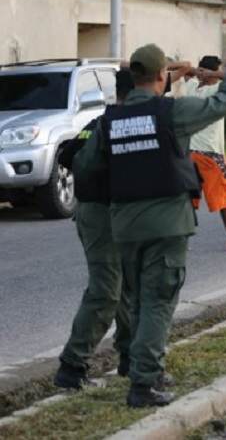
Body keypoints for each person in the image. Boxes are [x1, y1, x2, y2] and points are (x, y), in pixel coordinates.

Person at [73, 44, 226, 407]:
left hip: (124, 225)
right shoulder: (171, 112)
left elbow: (86, 169)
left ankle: (135, 366)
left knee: (136, 302)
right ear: (160, 77)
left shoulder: (109, 121)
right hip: (167, 223)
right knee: (158, 302)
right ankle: (144, 382)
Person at [53, 70, 134, 390]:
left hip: (118, 214)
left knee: (127, 287)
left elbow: (69, 154)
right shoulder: (113, 123)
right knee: (107, 290)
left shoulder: (106, 120)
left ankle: (131, 358)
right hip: (100, 214)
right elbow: (70, 154)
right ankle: (72, 365)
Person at [172, 55, 226, 252]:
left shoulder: (191, 87)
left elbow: (184, 68)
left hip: (188, 153)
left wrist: (197, 72)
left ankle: (179, 242)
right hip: (211, 154)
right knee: (224, 198)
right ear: (211, 74)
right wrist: (216, 73)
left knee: (187, 200)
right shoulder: (216, 89)